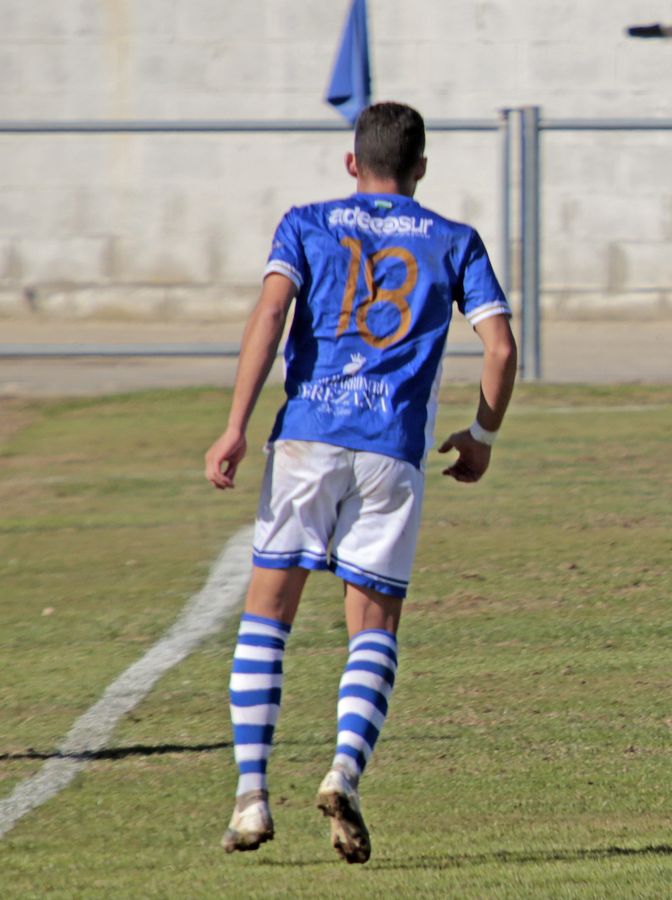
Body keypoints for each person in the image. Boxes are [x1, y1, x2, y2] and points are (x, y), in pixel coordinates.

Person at [203, 101, 516, 863]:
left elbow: (270, 315)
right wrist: (479, 437)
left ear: (353, 163)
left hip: (308, 436)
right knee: (372, 629)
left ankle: (250, 799)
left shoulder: (306, 223)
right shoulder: (453, 239)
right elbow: (501, 349)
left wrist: (237, 424)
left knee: (267, 617)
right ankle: (342, 770)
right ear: (422, 170)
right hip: (391, 453)